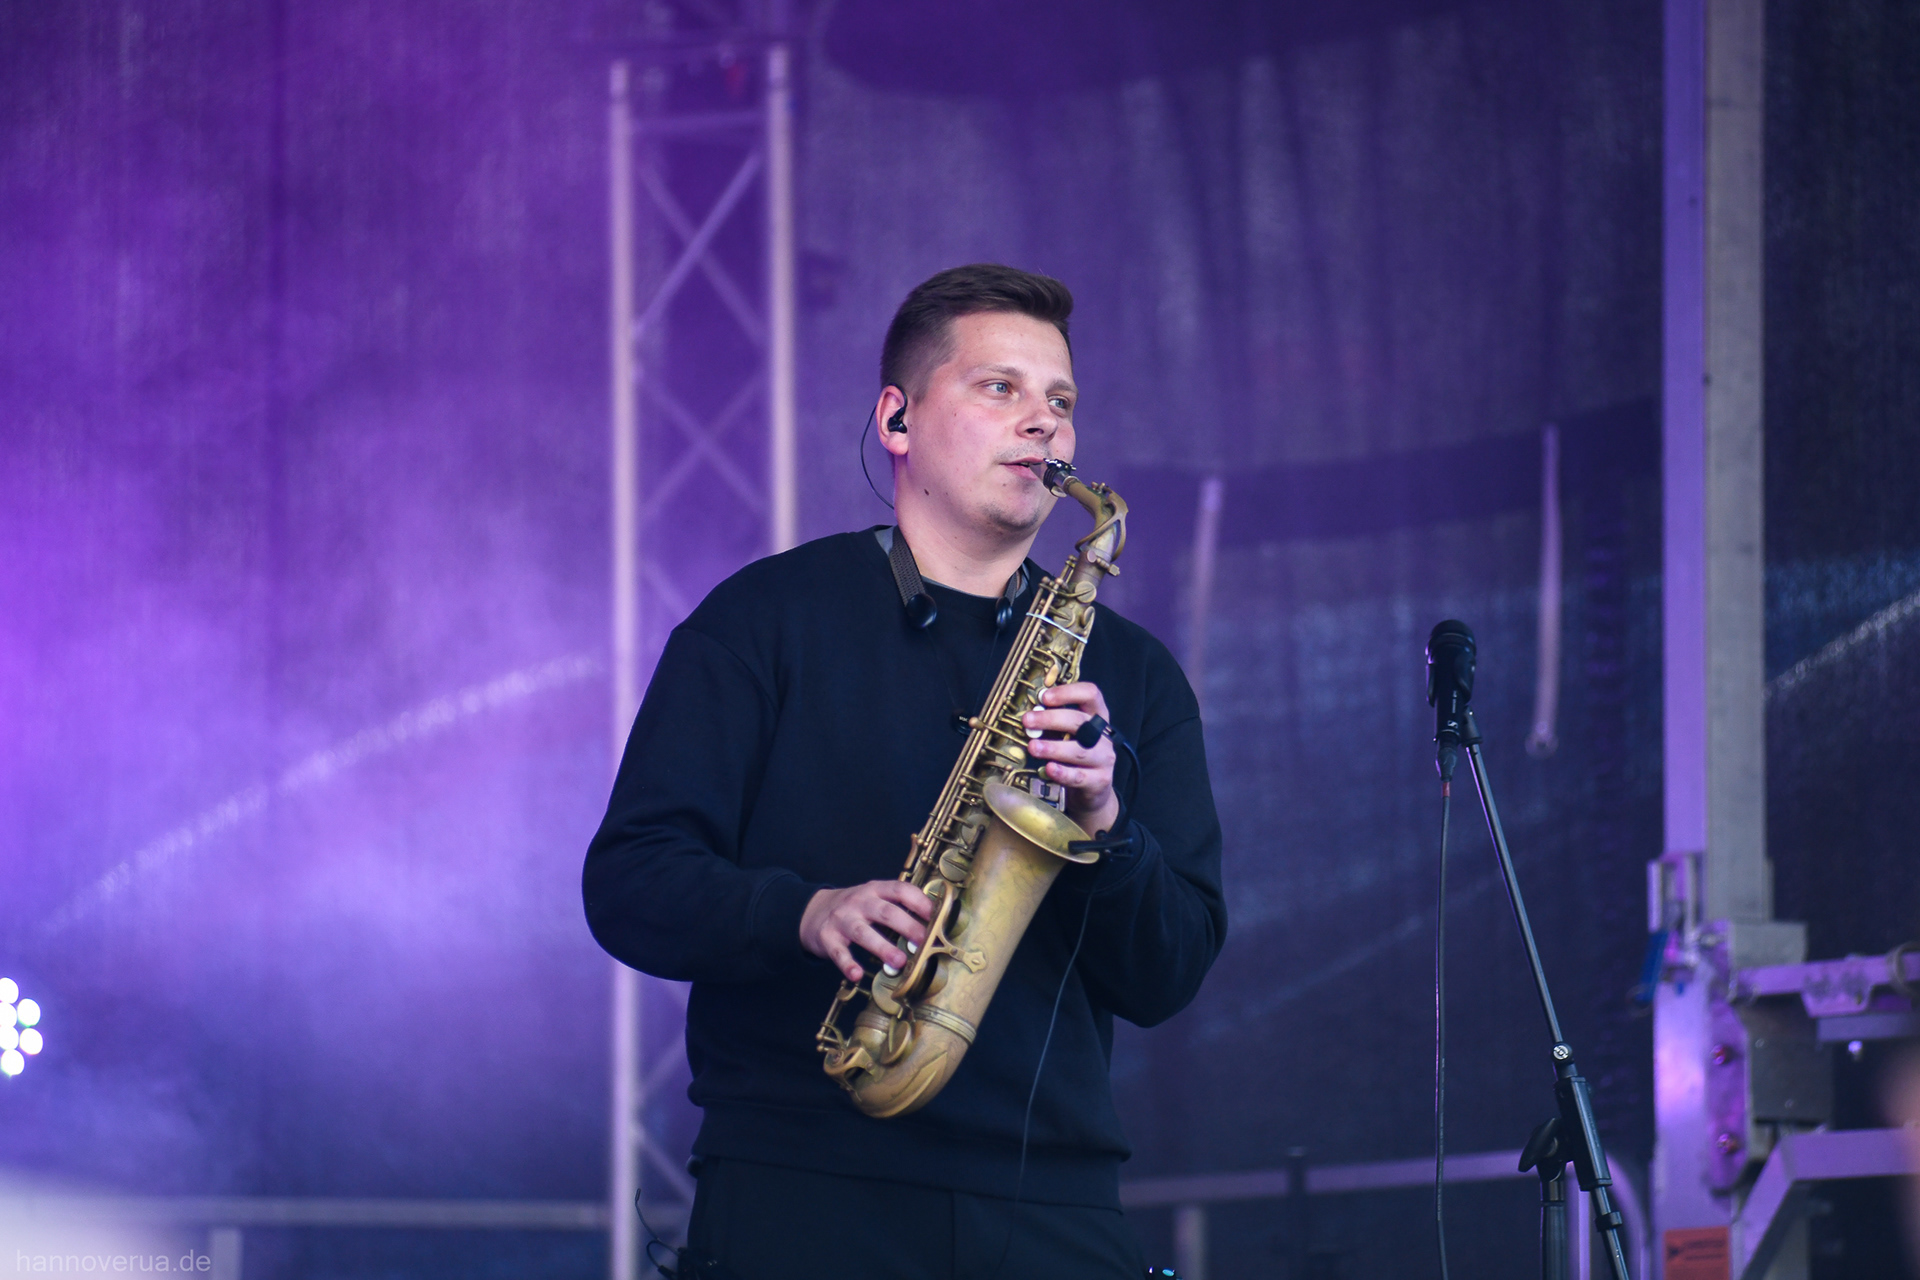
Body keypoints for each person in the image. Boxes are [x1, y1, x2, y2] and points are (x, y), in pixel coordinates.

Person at [584, 263, 1226, 1279]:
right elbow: (629, 881)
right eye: (999, 387)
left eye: (1061, 401)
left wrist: (1108, 825)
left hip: (1050, 1203)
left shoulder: (1135, 675)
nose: (1044, 424)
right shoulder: (763, 619)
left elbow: (1171, 971)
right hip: (804, 1191)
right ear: (896, 418)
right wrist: (803, 912)